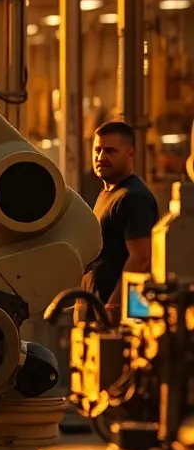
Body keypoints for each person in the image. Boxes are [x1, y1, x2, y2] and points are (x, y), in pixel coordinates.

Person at [81, 121, 159, 321]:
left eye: (110, 151)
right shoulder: (107, 193)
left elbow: (141, 258)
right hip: (96, 311)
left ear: (130, 154)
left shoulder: (133, 197)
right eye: (97, 150)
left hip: (117, 320)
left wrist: (114, 307)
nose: (100, 157)